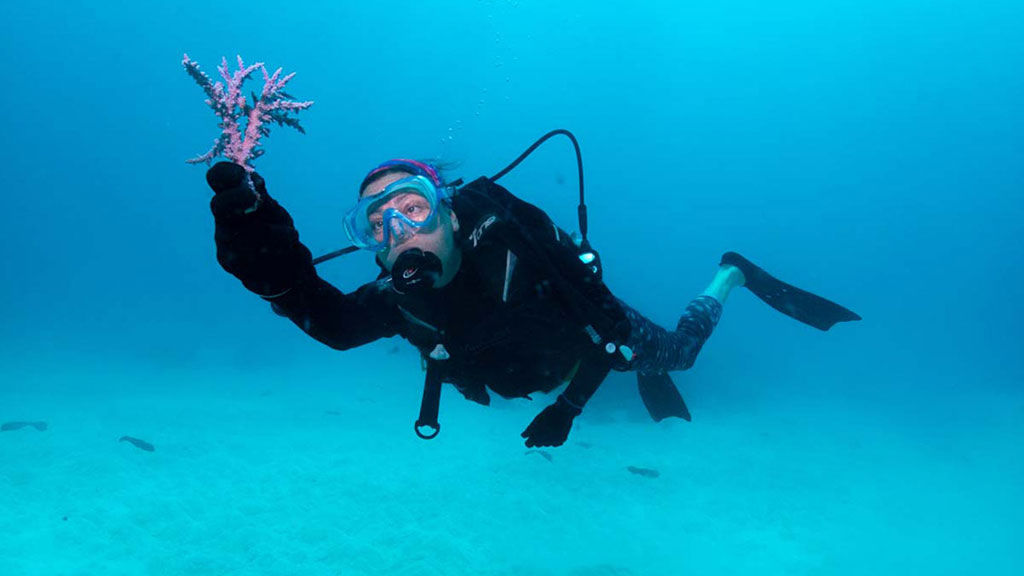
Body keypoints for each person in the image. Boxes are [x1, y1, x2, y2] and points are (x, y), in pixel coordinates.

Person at [205, 151, 859, 448]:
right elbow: (331, 324)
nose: (400, 231)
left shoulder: (522, 261)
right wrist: (260, 250)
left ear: (452, 216)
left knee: (672, 356)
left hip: (581, 347)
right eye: (378, 223)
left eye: (414, 208)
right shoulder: (394, 300)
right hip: (520, 369)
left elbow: (602, 340)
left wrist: (569, 413)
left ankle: (730, 274)